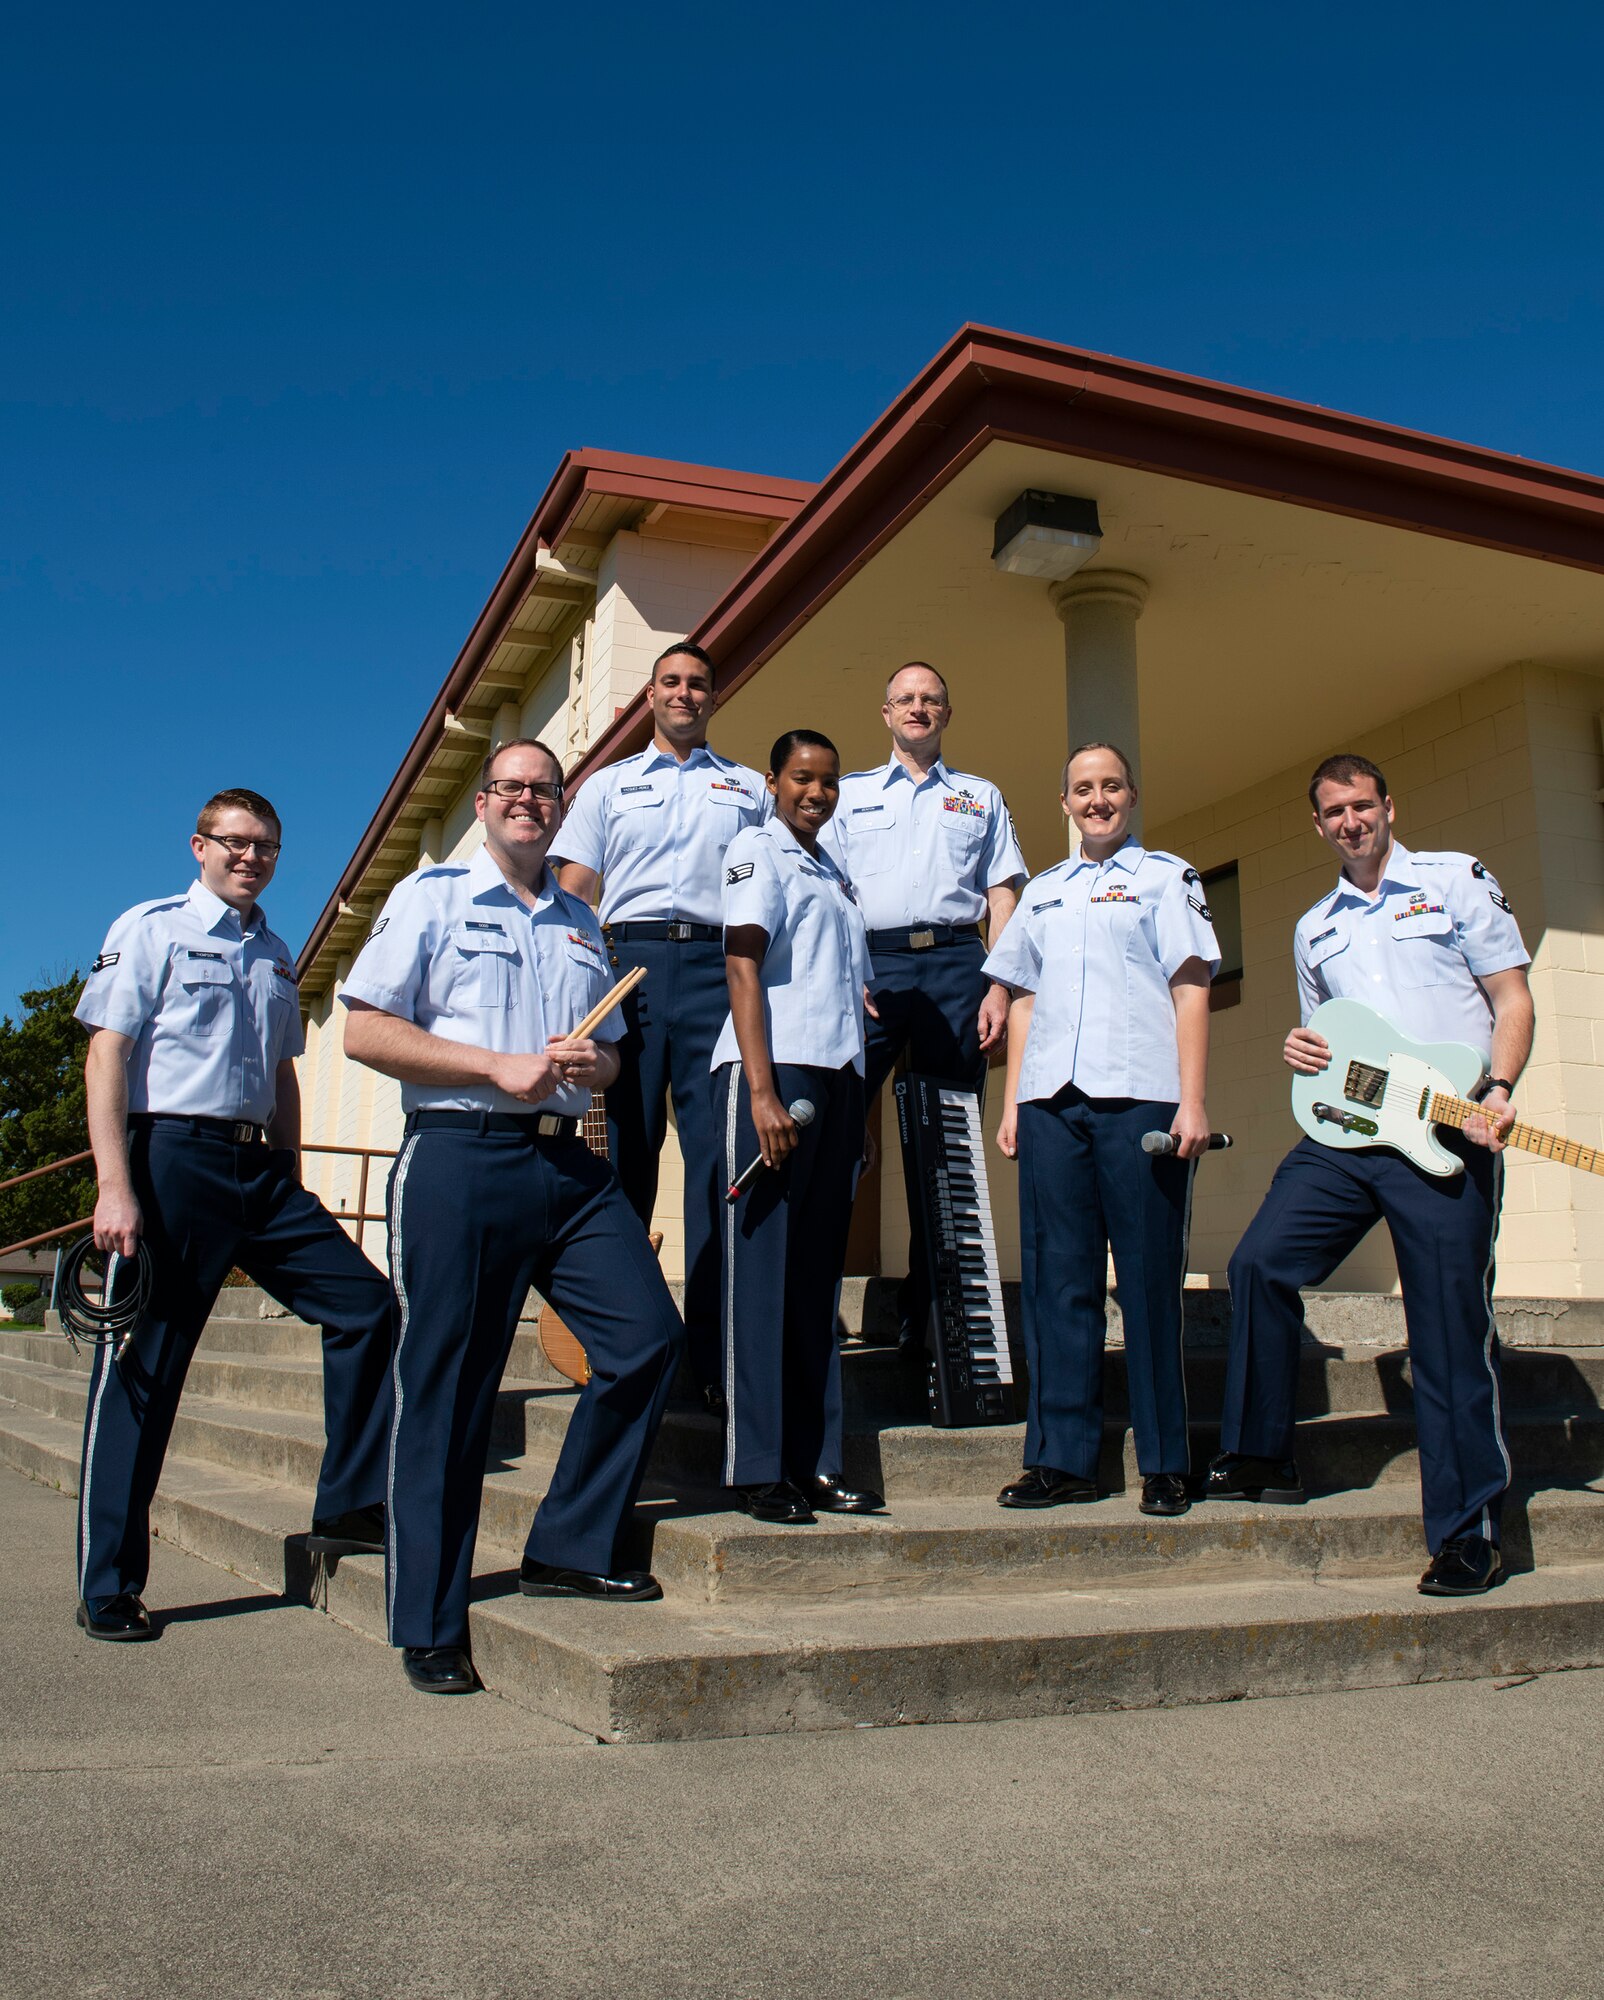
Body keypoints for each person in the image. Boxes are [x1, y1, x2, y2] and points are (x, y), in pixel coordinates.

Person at [342, 737, 684, 1695]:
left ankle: (568, 1545)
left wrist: (592, 1069)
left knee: (647, 1338)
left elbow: (613, 1054)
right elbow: (364, 1028)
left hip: (562, 1165)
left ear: (561, 808)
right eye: (512, 788)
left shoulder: (582, 920)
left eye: (545, 790)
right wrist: (494, 1065)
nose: (528, 801)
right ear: (484, 802)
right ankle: (428, 1621)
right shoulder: (432, 897)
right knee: (448, 1388)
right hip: (458, 1159)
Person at [73, 788, 395, 1642]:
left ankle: (351, 1502)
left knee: (367, 1307)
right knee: (148, 1369)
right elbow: (107, 1053)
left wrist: (290, 1174)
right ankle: (109, 1583)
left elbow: (285, 1070)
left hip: (260, 1170)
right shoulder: (151, 929)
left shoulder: (277, 952)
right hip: (173, 1158)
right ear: (199, 846)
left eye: (267, 848)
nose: (252, 858)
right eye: (237, 843)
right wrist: (116, 1185)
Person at [1214, 752, 1532, 1597]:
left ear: (1388, 805)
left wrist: (1499, 1089)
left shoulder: (1455, 879)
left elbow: (1512, 997)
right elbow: (1333, 1041)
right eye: (1334, 812)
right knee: (1258, 1263)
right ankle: (1261, 1454)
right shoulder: (1314, 925)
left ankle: (1469, 1533)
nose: (1351, 821)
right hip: (1350, 1138)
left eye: (1362, 804)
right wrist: (1300, 1050)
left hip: (1445, 1134)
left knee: (1446, 1330)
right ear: (1318, 826)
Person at [988, 745, 1220, 1517]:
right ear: (1064, 803)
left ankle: (1165, 1461)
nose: (1097, 799)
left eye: (1111, 786)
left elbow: (1191, 987)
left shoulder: (1166, 877)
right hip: (1053, 1103)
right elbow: (1021, 997)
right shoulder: (1044, 892)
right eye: (1083, 789)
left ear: (1132, 796)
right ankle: (1062, 1460)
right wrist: (1015, 1100)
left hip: (1143, 1100)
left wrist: (1193, 1100)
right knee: (1058, 1284)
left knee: (1150, 1280)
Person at [553, 642, 768, 1410]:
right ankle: (620, 1346)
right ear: (650, 696)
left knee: (718, 1163)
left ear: (715, 696)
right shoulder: (607, 787)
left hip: (718, 971)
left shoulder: (748, 789)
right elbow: (576, 890)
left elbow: (772, 887)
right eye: (671, 682)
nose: (685, 694)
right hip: (628, 970)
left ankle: (713, 1357)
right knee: (626, 1161)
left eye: (699, 683)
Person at [819, 662, 1026, 1349]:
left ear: (946, 714)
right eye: (905, 699)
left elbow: (1003, 896)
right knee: (836, 1123)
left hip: (955, 965)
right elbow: (823, 891)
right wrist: (843, 975)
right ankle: (811, 1300)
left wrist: (997, 983)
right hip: (869, 966)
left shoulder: (980, 796)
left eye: (930, 699)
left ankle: (936, 1318)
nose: (917, 708)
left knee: (948, 1144)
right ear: (885, 714)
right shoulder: (847, 796)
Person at [714, 729, 884, 1525]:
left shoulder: (836, 873)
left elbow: (855, 998)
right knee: (765, 1279)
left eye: (828, 781)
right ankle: (755, 1469)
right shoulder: (758, 851)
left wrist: (862, 1113)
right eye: (801, 778)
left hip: (838, 1081)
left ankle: (815, 1464)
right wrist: (760, 1092)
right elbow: (742, 963)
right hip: (775, 1075)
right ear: (774, 782)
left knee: (818, 1288)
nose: (815, 792)